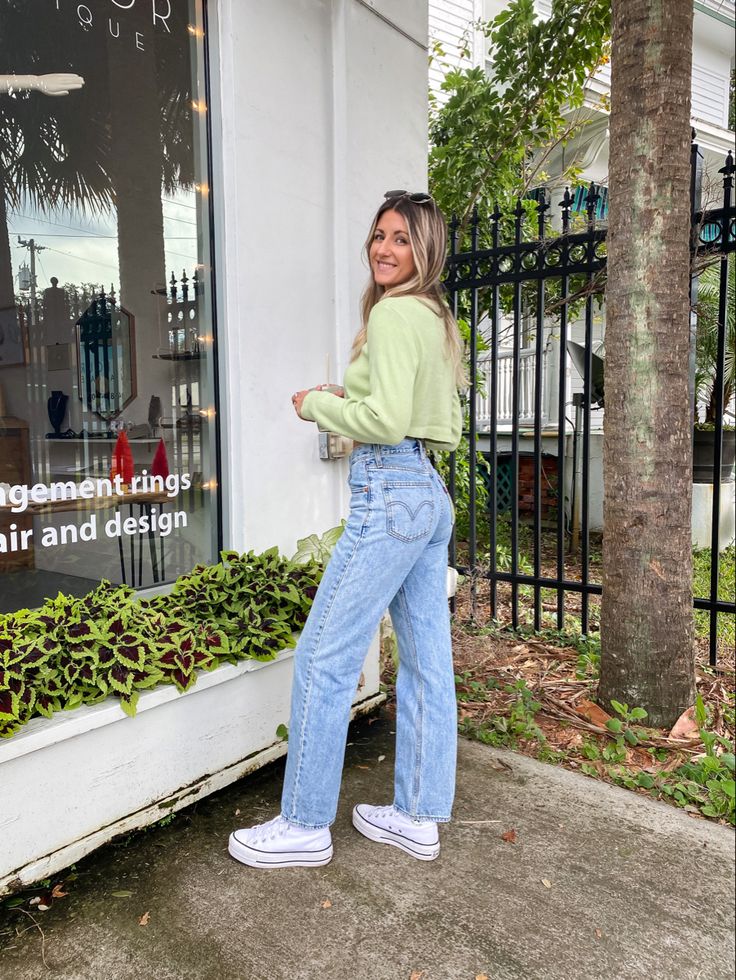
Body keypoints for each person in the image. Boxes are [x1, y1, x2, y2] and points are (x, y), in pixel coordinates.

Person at [228, 190, 464, 869]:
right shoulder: (432, 317)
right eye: (378, 236)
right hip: (426, 491)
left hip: (391, 490)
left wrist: (319, 408)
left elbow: (383, 424)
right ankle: (417, 814)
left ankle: (303, 824)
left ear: (424, 251)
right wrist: (348, 399)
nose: (383, 249)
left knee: (325, 657)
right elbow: (433, 423)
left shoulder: (394, 314)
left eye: (400, 239)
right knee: (425, 664)